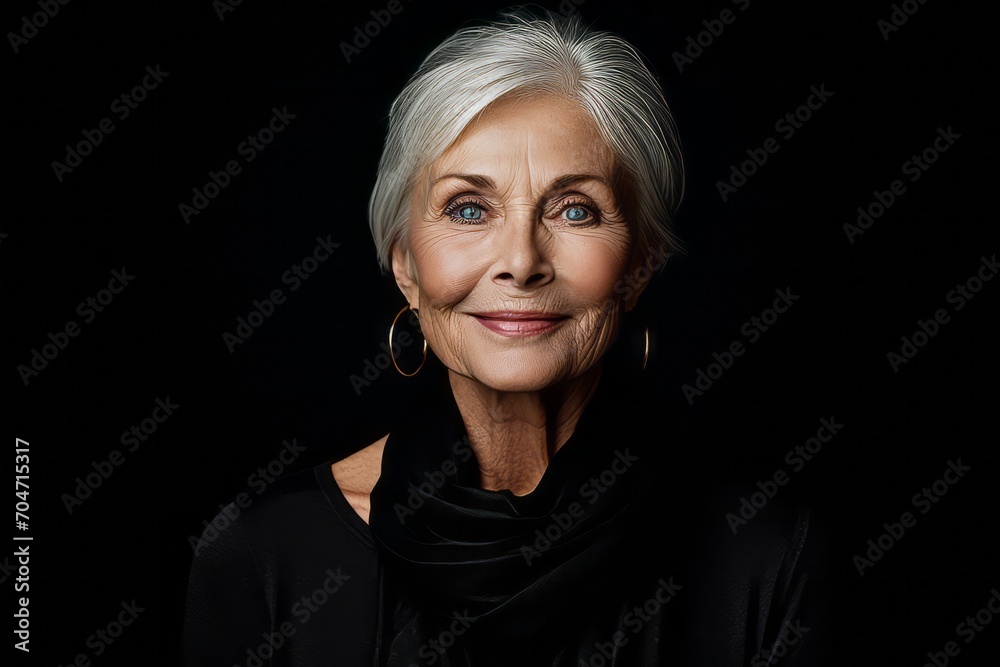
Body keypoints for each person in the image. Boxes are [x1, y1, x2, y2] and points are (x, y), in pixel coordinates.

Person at [184, 9, 821, 666]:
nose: (521, 260)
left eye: (575, 209)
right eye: (468, 208)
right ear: (405, 264)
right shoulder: (264, 554)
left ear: (638, 265)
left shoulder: (763, 554)